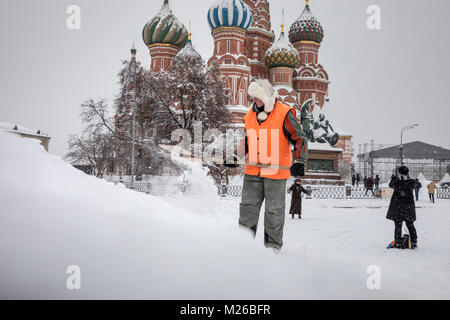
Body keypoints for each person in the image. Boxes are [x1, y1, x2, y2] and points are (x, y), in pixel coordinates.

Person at [225, 79, 308, 252]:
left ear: (267, 97)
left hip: (276, 173)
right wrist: (235, 156)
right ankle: (243, 247)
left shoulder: (284, 113)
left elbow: (300, 139)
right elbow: (246, 141)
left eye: (257, 97)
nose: (254, 101)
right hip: (253, 172)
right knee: (247, 210)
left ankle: (273, 249)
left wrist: (299, 161)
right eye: (253, 98)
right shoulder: (249, 116)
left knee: (274, 213)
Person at [386, 166, 417, 249]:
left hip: (398, 207)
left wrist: (395, 177)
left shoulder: (397, 182)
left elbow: (391, 185)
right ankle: (414, 242)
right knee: (410, 225)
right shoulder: (411, 182)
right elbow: (412, 184)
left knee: (398, 226)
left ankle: (398, 242)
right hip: (408, 207)